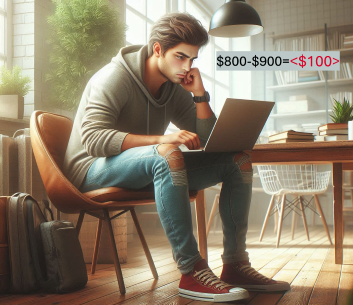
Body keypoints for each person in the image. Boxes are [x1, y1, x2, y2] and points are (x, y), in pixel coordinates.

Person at [63, 12, 290, 302]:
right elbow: (94, 140)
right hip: (91, 170)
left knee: (237, 161)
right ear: (157, 49)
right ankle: (191, 269)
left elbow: (210, 142)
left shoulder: (174, 86)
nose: (187, 67)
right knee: (167, 154)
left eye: (192, 59)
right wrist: (163, 139)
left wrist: (199, 94)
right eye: (180, 57)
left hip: (143, 167)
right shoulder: (114, 77)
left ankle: (236, 265)